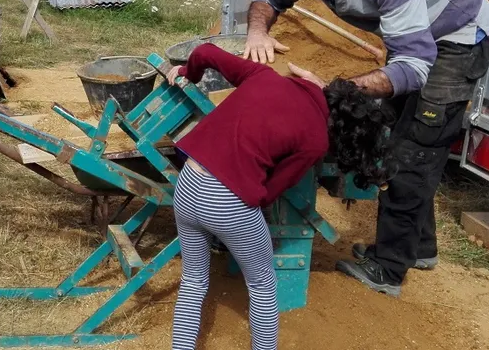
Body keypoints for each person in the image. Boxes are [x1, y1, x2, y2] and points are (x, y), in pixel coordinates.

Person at [243, 0, 489, 297]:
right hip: (415, 40)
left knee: (414, 150)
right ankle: (419, 249)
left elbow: (413, 66)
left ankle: (390, 268)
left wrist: (334, 90)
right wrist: (257, 30)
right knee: (398, 133)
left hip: (455, 41)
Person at [164, 42, 393, 350]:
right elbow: (269, 193)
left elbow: (205, 51)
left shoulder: (264, 76)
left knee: (193, 280)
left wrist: (185, 72)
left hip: (188, 184)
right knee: (262, 286)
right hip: (229, 204)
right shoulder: (315, 141)